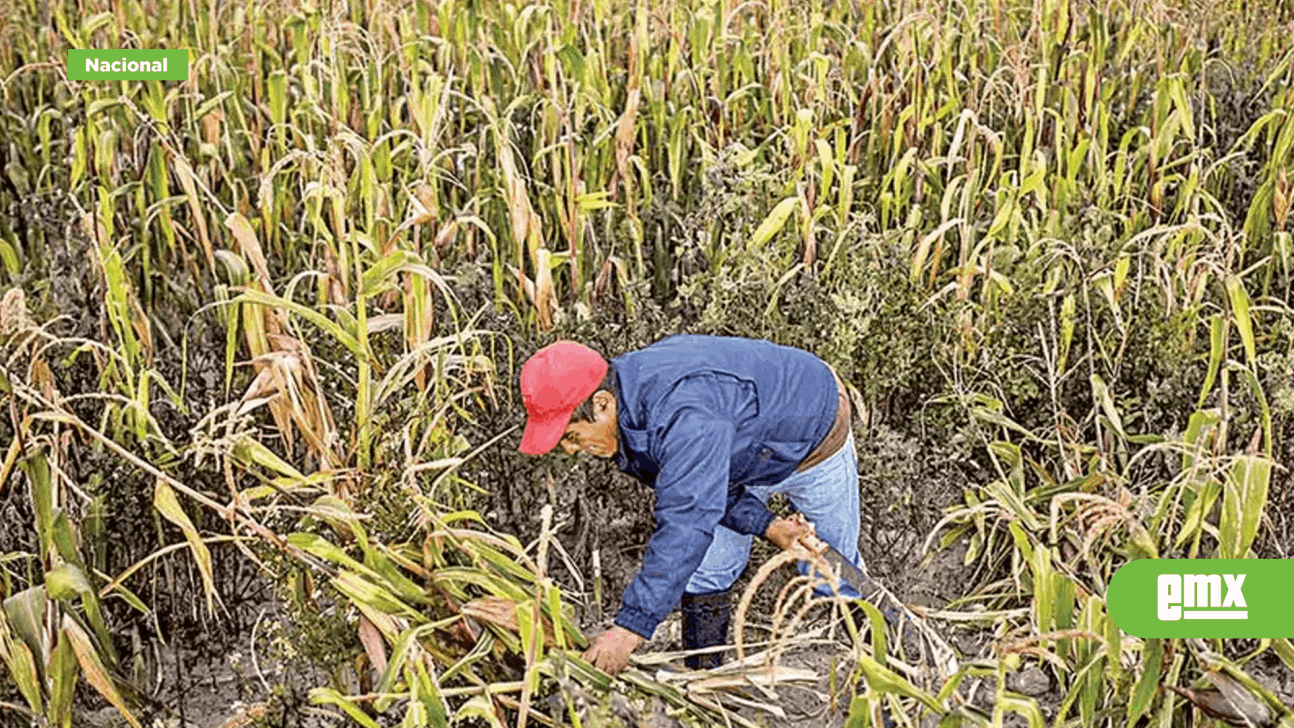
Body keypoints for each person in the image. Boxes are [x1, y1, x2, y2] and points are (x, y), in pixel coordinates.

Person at [517, 334, 866, 675]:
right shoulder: (631, 416)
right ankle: (704, 687)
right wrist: (770, 526)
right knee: (708, 568)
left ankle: (886, 677)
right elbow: (701, 487)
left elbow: (688, 520)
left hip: (813, 430)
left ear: (602, 404)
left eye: (572, 436)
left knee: (830, 570)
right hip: (737, 448)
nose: (571, 450)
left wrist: (629, 631)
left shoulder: (681, 415)